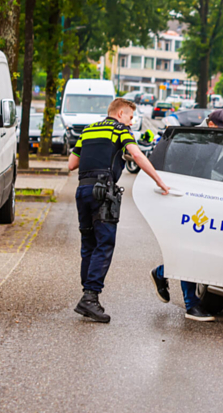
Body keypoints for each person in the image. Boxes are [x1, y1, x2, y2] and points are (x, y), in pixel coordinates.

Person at [68, 97, 169, 323]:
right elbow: (137, 155)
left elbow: (72, 164)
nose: (131, 122)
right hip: (103, 193)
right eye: (130, 117)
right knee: (104, 243)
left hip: (83, 191)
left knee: (88, 244)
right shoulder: (120, 130)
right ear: (120, 113)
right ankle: (90, 298)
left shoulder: (88, 130)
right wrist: (159, 181)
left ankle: (87, 295)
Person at [151, 107, 223, 321]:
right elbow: (169, 165)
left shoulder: (214, 138)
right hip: (184, 199)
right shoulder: (190, 140)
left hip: (202, 200)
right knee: (190, 248)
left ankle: (161, 272)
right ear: (210, 124)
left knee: (195, 249)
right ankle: (191, 304)